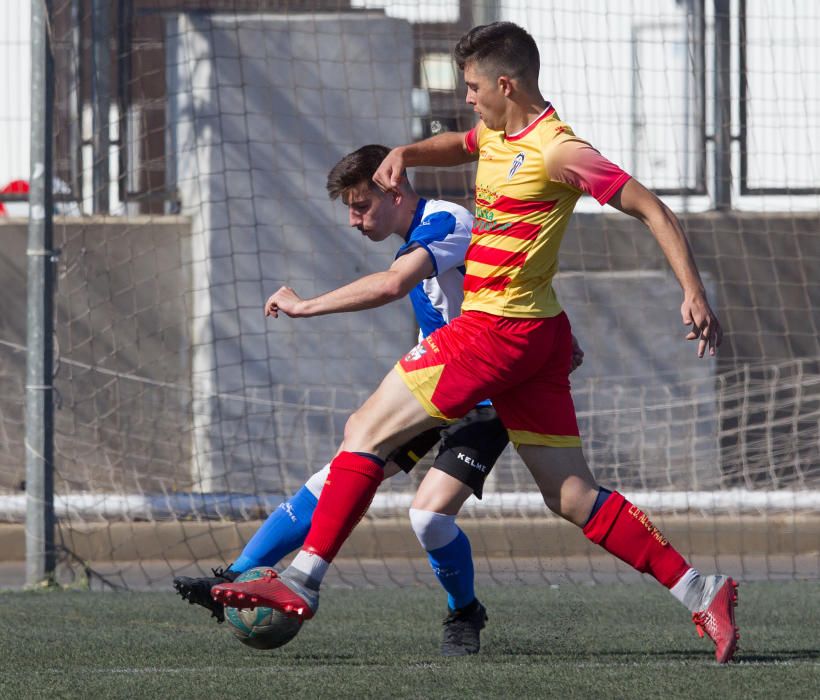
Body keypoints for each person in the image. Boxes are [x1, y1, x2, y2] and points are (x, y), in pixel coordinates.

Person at [213, 23, 739, 664]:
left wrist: (693, 291)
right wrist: (406, 152)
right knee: (570, 494)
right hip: (538, 336)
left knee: (365, 430)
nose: (467, 97)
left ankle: (303, 578)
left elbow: (653, 208)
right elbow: (458, 143)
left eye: (470, 86)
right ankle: (702, 591)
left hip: (495, 331)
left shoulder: (557, 150)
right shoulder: (496, 132)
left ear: (505, 84)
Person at [175, 144, 583, 655]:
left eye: (360, 205)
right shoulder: (416, 240)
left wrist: (304, 307)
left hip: (484, 396)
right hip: (436, 388)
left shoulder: (447, 222)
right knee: (337, 474)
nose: (352, 220)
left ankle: (464, 612)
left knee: (429, 519)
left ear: (393, 188)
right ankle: (232, 578)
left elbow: (397, 285)